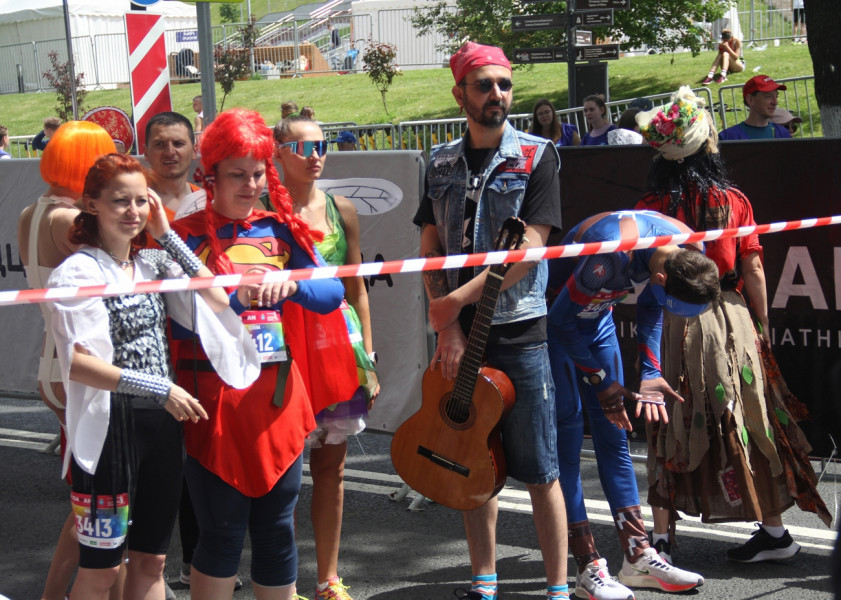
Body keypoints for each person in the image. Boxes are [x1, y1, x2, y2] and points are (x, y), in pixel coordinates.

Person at [46, 152, 257, 600]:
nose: (133, 211)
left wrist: (166, 235)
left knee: (152, 561)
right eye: (120, 201)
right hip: (108, 431)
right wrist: (160, 386)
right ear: (91, 205)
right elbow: (77, 364)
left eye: (141, 200)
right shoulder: (76, 271)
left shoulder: (152, 263)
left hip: (161, 426)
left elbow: (218, 299)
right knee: (102, 570)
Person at [636, 86, 832, 564]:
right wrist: (761, 324)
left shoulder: (650, 206)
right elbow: (754, 268)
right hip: (730, 317)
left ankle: (660, 538)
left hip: (675, 318)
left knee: (670, 418)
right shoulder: (733, 200)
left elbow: (644, 271)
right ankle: (775, 531)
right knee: (747, 415)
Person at [170, 108, 356, 600]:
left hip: (276, 400)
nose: (251, 186)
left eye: (257, 174)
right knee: (222, 533)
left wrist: (291, 283)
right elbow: (176, 316)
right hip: (213, 402)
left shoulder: (279, 228)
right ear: (210, 175)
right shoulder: (182, 235)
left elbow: (331, 294)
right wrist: (237, 297)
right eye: (238, 174)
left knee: (276, 530)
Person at [413, 41, 568, 600]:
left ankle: (557, 589)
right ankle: (484, 583)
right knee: (469, 461)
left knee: (540, 470)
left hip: (520, 334)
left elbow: (529, 250)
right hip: (460, 338)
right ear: (460, 95)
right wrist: (448, 325)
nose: (497, 94)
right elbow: (429, 244)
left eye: (504, 84)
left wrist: (455, 303)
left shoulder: (537, 155)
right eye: (484, 85)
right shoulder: (438, 161)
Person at [546, 209, 708, 599]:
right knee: (568, 443)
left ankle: (637, 555)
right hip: (555, 329)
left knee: (615, 439)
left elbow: (652, 303)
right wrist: (602, 383)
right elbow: (559, 321)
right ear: (663, 277)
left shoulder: (690, 247)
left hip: (596, 322)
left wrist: (651, 369)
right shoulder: (610, 254)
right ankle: (587, 566)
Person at [274, 114, 380, 600]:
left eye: (321, 146)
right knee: (282, 478)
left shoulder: (342, 209)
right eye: (303, 147)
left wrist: (369, 358)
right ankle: (282, 584)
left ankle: (328, 580)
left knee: (331, 472)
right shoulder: (262, 212)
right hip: (285, 352)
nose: (315, 155)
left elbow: (357, 288)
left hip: (339, 350)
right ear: (278, 153)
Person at [17, 121, 119, 600]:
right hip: (83, 363)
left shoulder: (32, 212)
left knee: (90, 502)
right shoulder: (70, 219)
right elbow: (120, 266)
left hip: (54, 358)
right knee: (100, 502)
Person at [144, 112, 202, 219]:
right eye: (159, 144)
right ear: (146, 152)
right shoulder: (135, 206)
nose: (170, 152)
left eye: (178, 144)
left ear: (194, 151)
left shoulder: (207, 203)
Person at [719, 75, 792, 140]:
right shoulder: (728, 137)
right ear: (750, 100)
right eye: (769, 96)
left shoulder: (783, 134)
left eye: (776, 96)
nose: (775, 102)